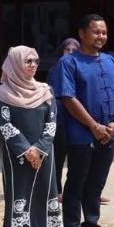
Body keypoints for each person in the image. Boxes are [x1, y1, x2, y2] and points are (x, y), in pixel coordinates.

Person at [57, 13, 114, 227]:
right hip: (80, 135)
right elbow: (68, 98)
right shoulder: (69, 63)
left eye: (104, 32)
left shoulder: (110, 60)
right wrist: (93, 126)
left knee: (96, 183)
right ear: (82, 33)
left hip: (108, 134)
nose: (101, 36)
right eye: (96, 32)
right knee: (77, 181)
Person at [0, 46, 66, 227]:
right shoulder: (4, 93)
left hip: (44, 154)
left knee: (43, 192)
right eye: (28, 61)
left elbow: (51, 123)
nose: (33, 65)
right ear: (15, 64)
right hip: (16, 155)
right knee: (19, 193)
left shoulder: (45, 91)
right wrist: (27, 150)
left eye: (35, 61)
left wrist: (39, 149)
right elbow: (5, 125)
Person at [46, 37, 80, 198]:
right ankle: (56, 190)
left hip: (78, 119)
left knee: (79, 158)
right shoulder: (56, 68)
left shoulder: (80, 68)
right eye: (67, 50)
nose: (70, 53)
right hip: (60, 119)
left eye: (74, 50)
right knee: (58, 156)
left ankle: (80, 191)